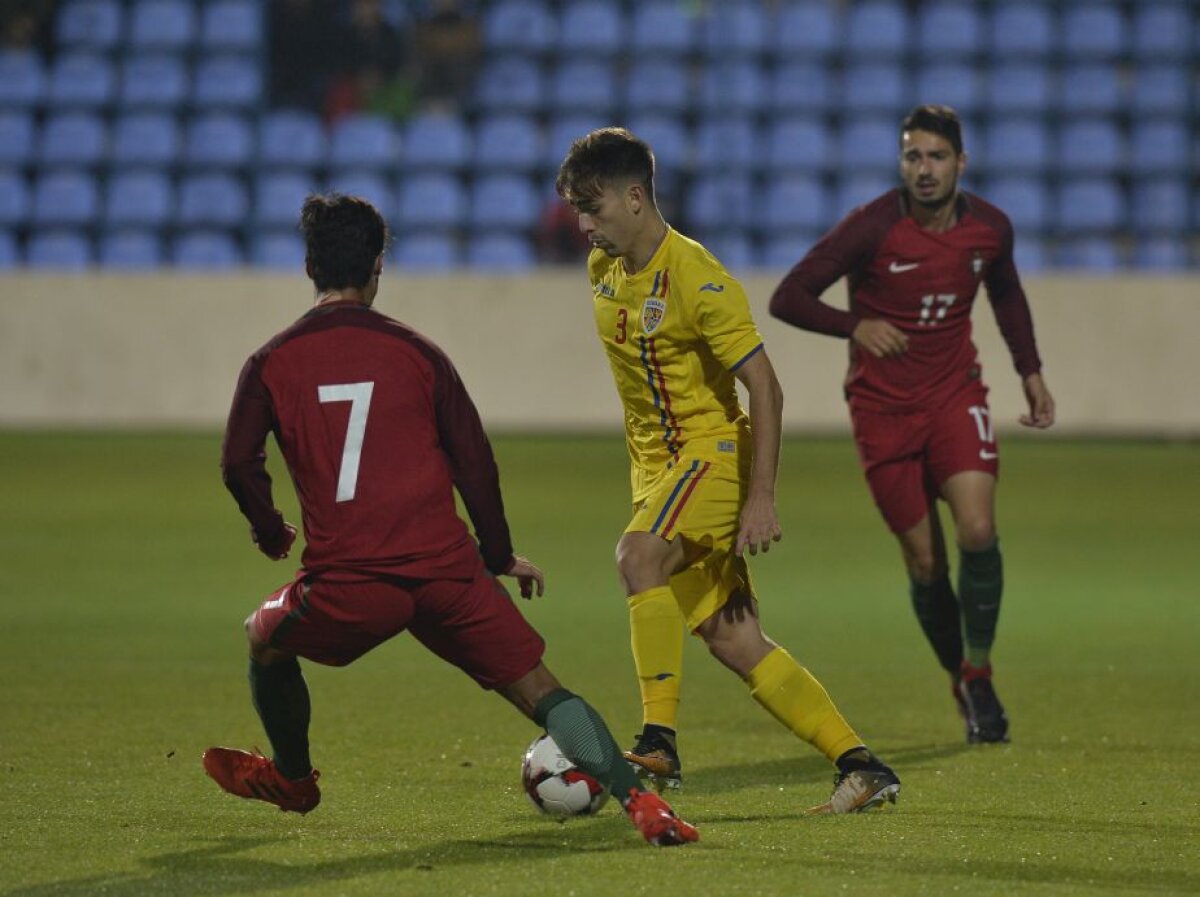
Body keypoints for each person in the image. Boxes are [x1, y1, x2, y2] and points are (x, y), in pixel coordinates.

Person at [203, 193, 698, 847]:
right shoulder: (419, 353)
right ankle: (644, 805)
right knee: (543, 691)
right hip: (446, 570)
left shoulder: (271, 361)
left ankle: (293, 779)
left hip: (351, 581)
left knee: (262, 638)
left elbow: (239, 461)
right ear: (378, 266)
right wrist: (496, 554)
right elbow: (475, 462)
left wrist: (271, 531)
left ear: (307, 266)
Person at [555, 127, 900, 814]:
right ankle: (861, 763)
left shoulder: (699, 278)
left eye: (593, 208)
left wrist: (760, 496)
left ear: (635, 195)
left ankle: (658, 739)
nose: (584, 225)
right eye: (577, 211)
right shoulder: (606, 269)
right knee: (733, 637)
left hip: (706, 457)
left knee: (636, 557)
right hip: (656, 473)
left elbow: (766, 388)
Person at [768, 105, 1056, 744]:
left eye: (936, 157)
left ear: (961, 162)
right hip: (883, 411)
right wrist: (855, 325)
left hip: (956, 394)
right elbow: (787, 295)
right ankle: (960, 677)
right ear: (902, 163)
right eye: (912, 157)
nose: (923, 170)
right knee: (927, 564)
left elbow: (1005, 294)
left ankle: (978, 672)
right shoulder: (871, 227)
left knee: (978, 529)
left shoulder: (990, 229)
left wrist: (1030, 371)